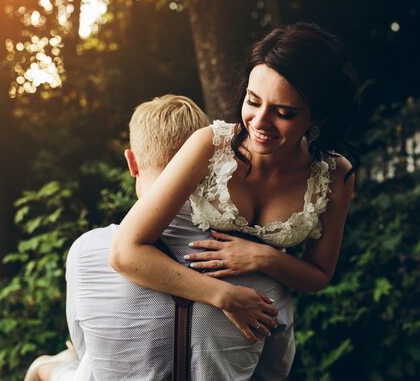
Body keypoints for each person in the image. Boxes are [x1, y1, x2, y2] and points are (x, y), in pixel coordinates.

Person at [111, 23, 359, 342]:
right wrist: (223, 295)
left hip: (266, 331)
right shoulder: (209, 146)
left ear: (318, 119)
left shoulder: (335, 174)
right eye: (253, 102)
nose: (260, 122)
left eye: (283, 112)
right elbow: (124, 252)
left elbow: (319, 275)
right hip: (174, 317)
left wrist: (264, 257)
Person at [25, 94, 296, 381]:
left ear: (132, 162)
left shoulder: (86, 252)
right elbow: (275, 370)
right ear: (211, 166)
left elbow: (86, 346)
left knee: (84, 363)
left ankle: (47, 367)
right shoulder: (259, 266)